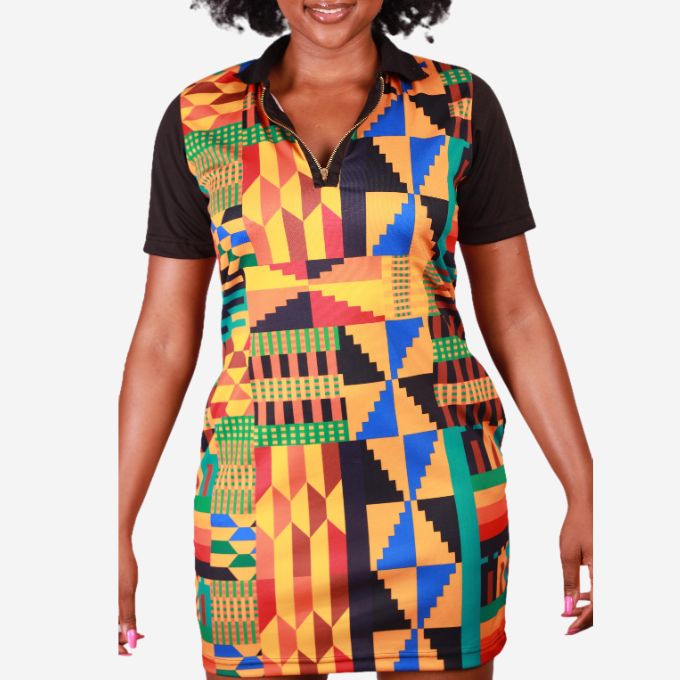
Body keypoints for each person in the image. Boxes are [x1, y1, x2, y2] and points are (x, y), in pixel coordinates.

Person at [118, 1, 594, 678]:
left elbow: (515, 314)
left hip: (434, 493)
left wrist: (586, 490)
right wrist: (113, 525)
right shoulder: (202, 117)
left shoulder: (456, 105)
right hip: (258, 510)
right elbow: (163, 339)